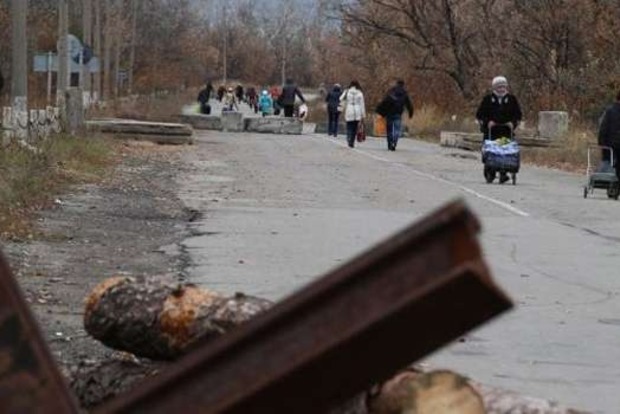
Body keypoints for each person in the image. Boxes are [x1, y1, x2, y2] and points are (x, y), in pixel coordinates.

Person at [475, 76, 523, 183]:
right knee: (491, 151)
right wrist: (488, 122)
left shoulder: (511, 99)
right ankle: (490, 171)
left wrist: (513, 123)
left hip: (506, 131)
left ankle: (504, 172)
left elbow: (518, 115)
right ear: (494, 88)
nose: (502, 89)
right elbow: (480, 114)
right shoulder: (488, 99)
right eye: (499, 87)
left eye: (503, 87)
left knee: (505, 151)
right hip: (491, 132)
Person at [376, 80, 413, 151]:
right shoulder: (404, 93)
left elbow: (384, 102)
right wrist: (410, 113)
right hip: (398, 113)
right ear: (403, 85)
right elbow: (409, 104)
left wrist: (380, 111)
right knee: (397, 130)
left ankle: (390, 144)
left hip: (389, 113)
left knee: (389, 130)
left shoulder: (391, 91)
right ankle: (394, 142)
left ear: (396, 84)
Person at [598, 90, 620, 181]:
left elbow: (603, 129)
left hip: (609, 145)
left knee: (607, 161)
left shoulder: (609, 110)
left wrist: (601, 144)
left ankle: (604, 179)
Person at [339, 80, 366, 148]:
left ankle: (349, 137)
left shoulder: (347, 91)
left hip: (349, 109)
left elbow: (341, 98)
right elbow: (362, 104)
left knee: (349, 126)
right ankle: (352, 141)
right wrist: (363, 115)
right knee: (354, 127)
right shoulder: (360, 93)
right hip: (357, 110)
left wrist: (341, 107)